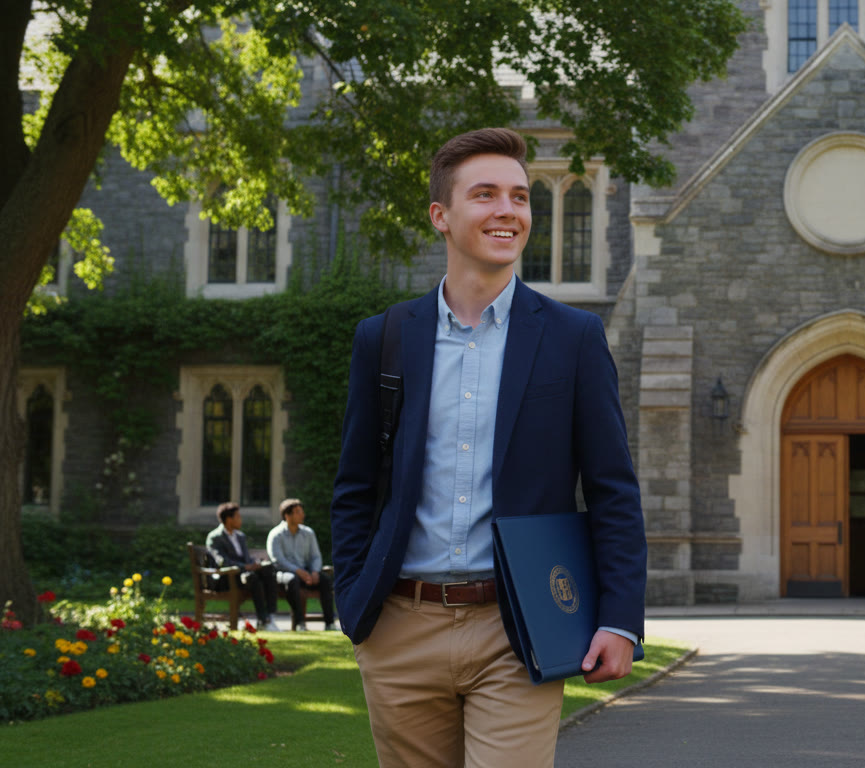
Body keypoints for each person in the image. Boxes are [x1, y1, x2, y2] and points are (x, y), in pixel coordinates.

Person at [330, 127, 647, 768]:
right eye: (486, 195)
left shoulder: (574, 338)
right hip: (400, 628)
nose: (509, 210)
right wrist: (356, 602)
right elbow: (356, 484)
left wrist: (620, 619)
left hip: (519, 624)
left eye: (521, 197)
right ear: (441, 216)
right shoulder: (384, 337)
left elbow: (613, 489)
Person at [205, 501, 281, 632]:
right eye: (238, 517)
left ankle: (270, 616)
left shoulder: (240, 536)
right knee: (252, 577)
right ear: (229, 519)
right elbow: (222, 561)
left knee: (269, 570)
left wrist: (256, 563)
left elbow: (247, 558)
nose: (241, 520)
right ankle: (263, 619)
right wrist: (245, 567)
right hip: (227, 577)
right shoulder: (215, 537)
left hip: (244, 575)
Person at [266, 498, 337, 632]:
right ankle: (300, 623)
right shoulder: (275, 535)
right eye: (298, 512)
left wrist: (315, 571)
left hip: (307, 573)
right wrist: (298, 571)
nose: (302, 515)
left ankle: (330, 623)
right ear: (287, 515)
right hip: (283, 575)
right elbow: (278, 560)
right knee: (292, 580)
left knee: (326, 580)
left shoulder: (308, 533)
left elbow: (315, 556)